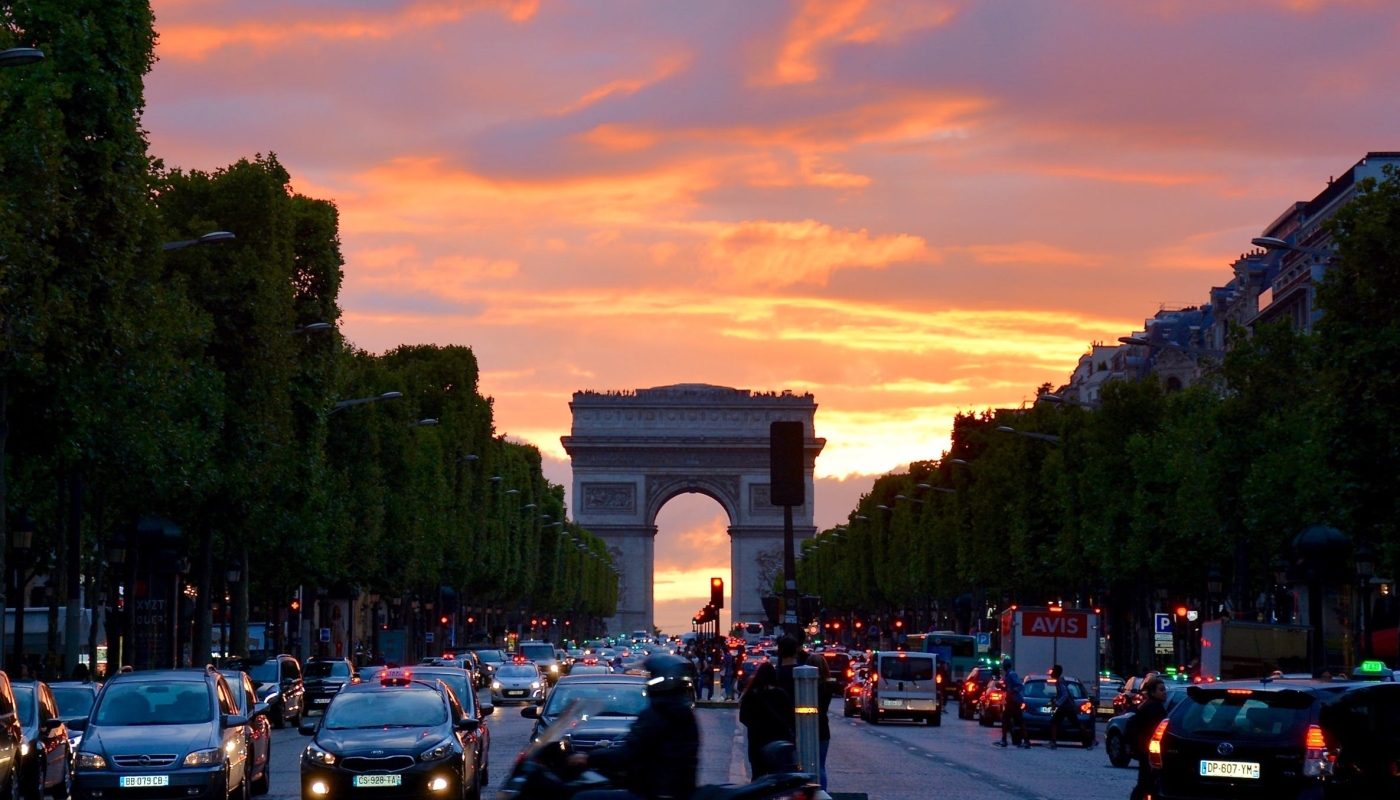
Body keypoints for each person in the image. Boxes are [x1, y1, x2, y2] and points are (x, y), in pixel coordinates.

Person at [567, 654, 700, 800]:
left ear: (662, 679)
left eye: (651, 676)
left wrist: (588, 758)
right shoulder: (681, 712)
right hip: (672, 791)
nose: (648, 680)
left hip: (652, 791)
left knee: (583, 797)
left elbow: (628, 754)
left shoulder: (658, 714)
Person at [739, 662, 794, 779]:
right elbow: (790, 717)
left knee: (758, 776)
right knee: (778, 777)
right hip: (778, 740)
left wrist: (756, 726)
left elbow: (743, 717)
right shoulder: (781, 694)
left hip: (757, 741)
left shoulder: (751, 694)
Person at [1126, 677, 1167, 800]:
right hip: (1149, 751)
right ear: (1152, 692)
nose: (1164, 692)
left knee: (1146, 782)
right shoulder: (1154, 708)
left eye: (1164, 689)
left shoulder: (1148, 706)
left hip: (1145, 750)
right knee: (1147, 782)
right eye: (1161, 690)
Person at [1047, 664, 1094, 749]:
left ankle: (1053, 742)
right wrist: (1055, 699)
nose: (1051, 673)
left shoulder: (1060, 682)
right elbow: (1063, 694)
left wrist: (1057, 704)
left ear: (1057, 672)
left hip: (1066, 707)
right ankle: (1089, 740)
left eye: (1053, 671)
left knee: (1055, 722)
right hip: (1067, 707)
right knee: (1075, 724)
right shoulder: (1059, 681)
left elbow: (1065, 695)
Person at [805, 651, 833, 791]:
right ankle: (822, 792)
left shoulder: (805, 687)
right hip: (823, 728)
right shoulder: (827, 687)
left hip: (806, 727)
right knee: (821, 765)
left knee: (804, 763)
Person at [995, 656, 1029, 749]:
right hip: (1013, 701)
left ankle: (1004, 739)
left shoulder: (1011, 674)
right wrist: (1001, 688)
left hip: (1013, 701)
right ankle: (1025, 740)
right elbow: (1008, 688)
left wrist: (1013, 691)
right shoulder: (1008, 675)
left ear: (1005, 666)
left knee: (1006, 719)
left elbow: (1019, 686)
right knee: (1019, 721)